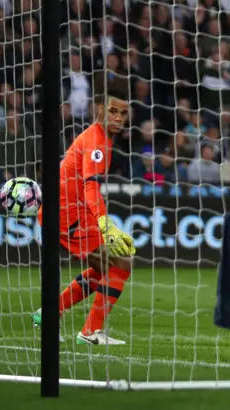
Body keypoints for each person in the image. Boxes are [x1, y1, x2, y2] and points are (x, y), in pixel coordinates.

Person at [32, 87, 134, 345]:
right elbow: (90, 186)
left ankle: (51, 312)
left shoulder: (100, 138)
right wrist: (105, 223)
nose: (119, 117)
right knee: (120, 264)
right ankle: (89, 332)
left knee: (109, 267)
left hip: (70, 211)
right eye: (113, 111)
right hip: (67, 214)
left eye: (123, 112)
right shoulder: (97, 141)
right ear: (100, 110)